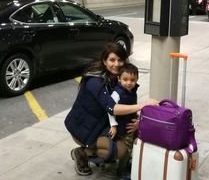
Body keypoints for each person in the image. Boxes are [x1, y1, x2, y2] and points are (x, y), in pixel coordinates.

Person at [64, 43, 158, 177]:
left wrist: (137, 121)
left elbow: (126, 104)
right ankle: (82, 153)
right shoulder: (94, 81)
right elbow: (112, 108)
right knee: (120, 150)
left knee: (137, 131)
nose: (117, 64)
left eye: (120, 60)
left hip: (102, 123)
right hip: (84, 128)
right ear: (104, 61)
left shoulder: (118, 78)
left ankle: (121, 160)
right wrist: (142, 105)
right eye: (112, 60)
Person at [108, 63, 140, 179]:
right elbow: (110, 109)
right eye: (125, 79)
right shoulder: (117, 93)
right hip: (121, 128)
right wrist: (113, 125)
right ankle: (122, 172)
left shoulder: (132, 91)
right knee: (126, 150)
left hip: (129, 126)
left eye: (132, 80)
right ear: (119, 79)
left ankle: (126, 165)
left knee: (130, 147)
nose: (129, 83)